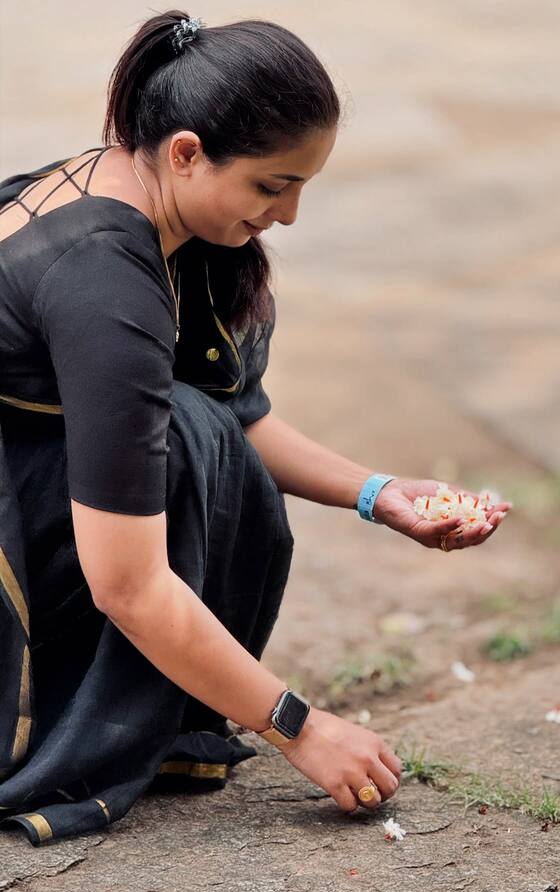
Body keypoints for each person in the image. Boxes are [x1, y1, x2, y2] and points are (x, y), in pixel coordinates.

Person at [0, 11, 511, 846]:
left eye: (305, 186)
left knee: (202, 439)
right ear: (187, 152)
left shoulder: (137, 187)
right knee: (188, 459)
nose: (291, 216)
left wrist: (381, 495)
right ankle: (56, 720)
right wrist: (303, 730)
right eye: (273, 187)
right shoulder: (104, 280)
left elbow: (236, 417)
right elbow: (126, 584)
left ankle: (156, 706)